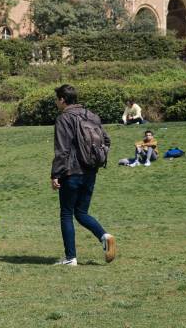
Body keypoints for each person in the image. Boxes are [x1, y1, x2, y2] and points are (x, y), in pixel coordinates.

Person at [52, 84, 116, 266]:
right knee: (81, 212)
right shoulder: (92, 115)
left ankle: (70, 258)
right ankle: (104, 235)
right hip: (90, 171)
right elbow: (106, 140)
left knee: (66, 213)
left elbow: (62, 150)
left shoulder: (64, 118)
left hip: (71, 172)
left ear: (63, 99)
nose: (57, 102)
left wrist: (55, 174)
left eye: (57, 99)